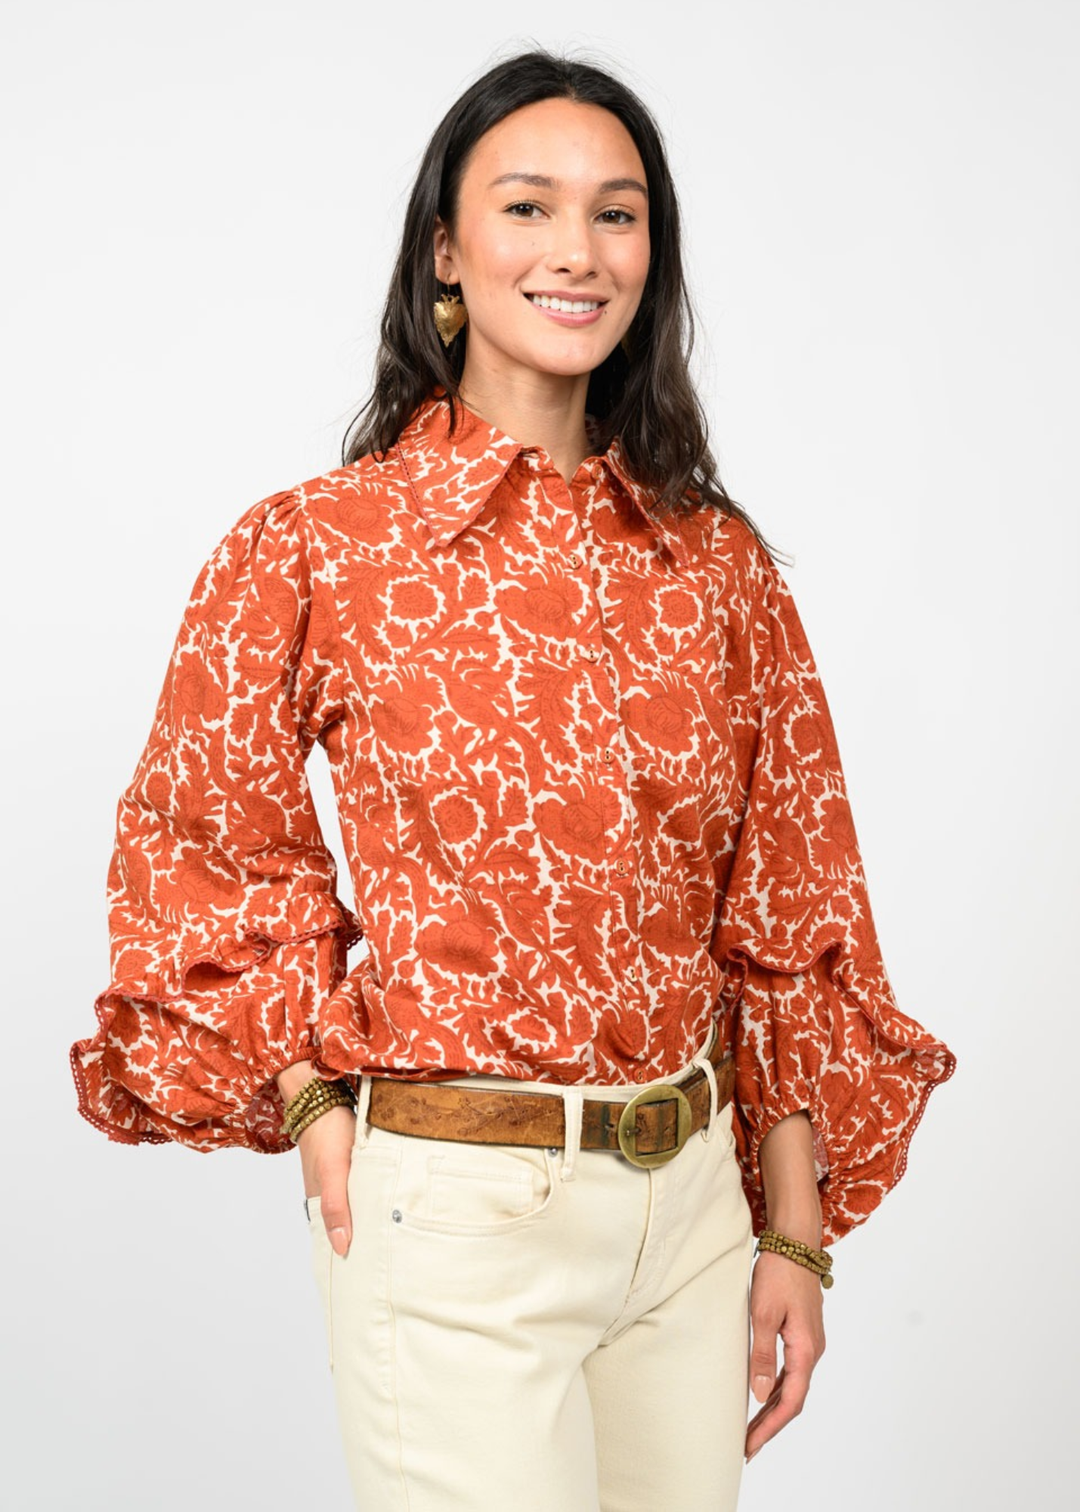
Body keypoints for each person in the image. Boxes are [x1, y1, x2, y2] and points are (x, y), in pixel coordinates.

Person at [70, 49, 956, 1512]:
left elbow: (789, 905)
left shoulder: (715, 564)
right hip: (460, 1213)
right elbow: (205, 842)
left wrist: (792, 1233)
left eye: (617, 214)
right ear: (446, 249)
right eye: (529, 206)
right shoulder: (319, 546)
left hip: (692, 1217)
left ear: (651, 256)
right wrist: (310, 1099)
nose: (576, 250)